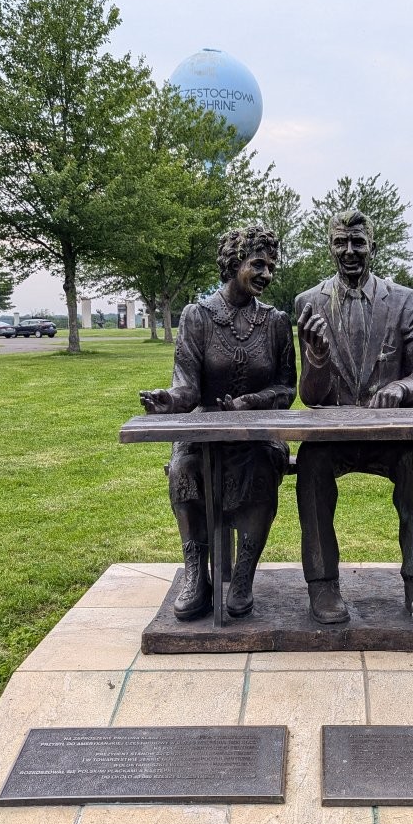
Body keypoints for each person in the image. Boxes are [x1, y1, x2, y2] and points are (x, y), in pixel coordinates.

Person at [293, 209, 413, 624]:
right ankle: (323, 585)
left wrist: (400, 388)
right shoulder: (308, 303)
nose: (349, 251)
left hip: (389, 434)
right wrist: (317, 357)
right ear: (329, 247)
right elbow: (310, 398)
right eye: (341, 242)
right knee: (310, 465)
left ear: (372, 247)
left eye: (358, 243)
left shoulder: (403, 300)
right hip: (334, 437)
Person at [139, 226, 296, 620]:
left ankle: (243, 575)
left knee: (262, 470)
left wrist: (250, 403)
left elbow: (286, 389)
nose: (266, 274)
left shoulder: (276, 322)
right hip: (204, 435)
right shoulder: (198, 317)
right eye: (257, 264)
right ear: (233, 263)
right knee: (184, 469)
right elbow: (187, 388)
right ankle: (197, 575)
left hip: (256, 435)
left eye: (271, 267)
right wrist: (169, 400)